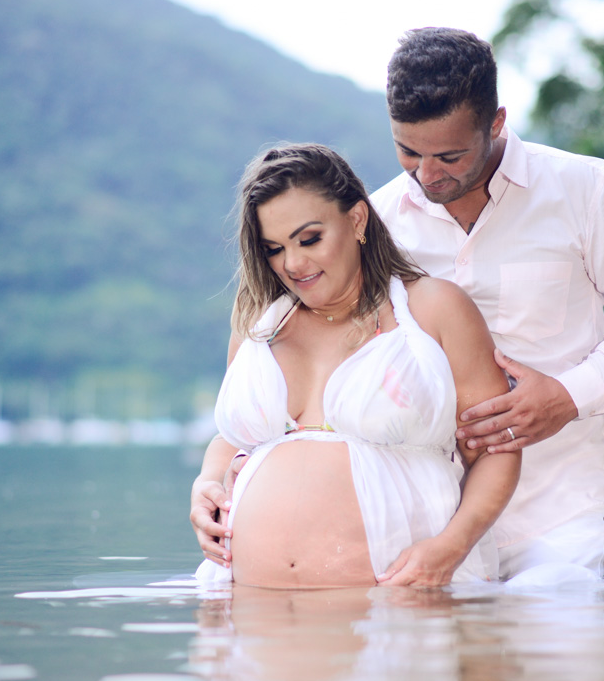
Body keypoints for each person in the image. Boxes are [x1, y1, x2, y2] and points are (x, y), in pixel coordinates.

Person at [369, 28, 604, 579]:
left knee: (553, 633)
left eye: (448, 155)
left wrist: (570, 395)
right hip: (428, 510)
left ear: (495, 123)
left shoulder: (584, 189)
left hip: (563, 504)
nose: (426, 175)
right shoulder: (376, 222)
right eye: (408, 152)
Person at [189, 143, 519, 588]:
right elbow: (231, 440)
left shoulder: (434, 309)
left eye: (310, 239)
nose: (292, 263)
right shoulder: (259, 325)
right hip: (246, 614)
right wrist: (206, 483)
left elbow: (497, 450)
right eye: (273, 248)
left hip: (398, 606)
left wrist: (452, 548)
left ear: (357, 219)